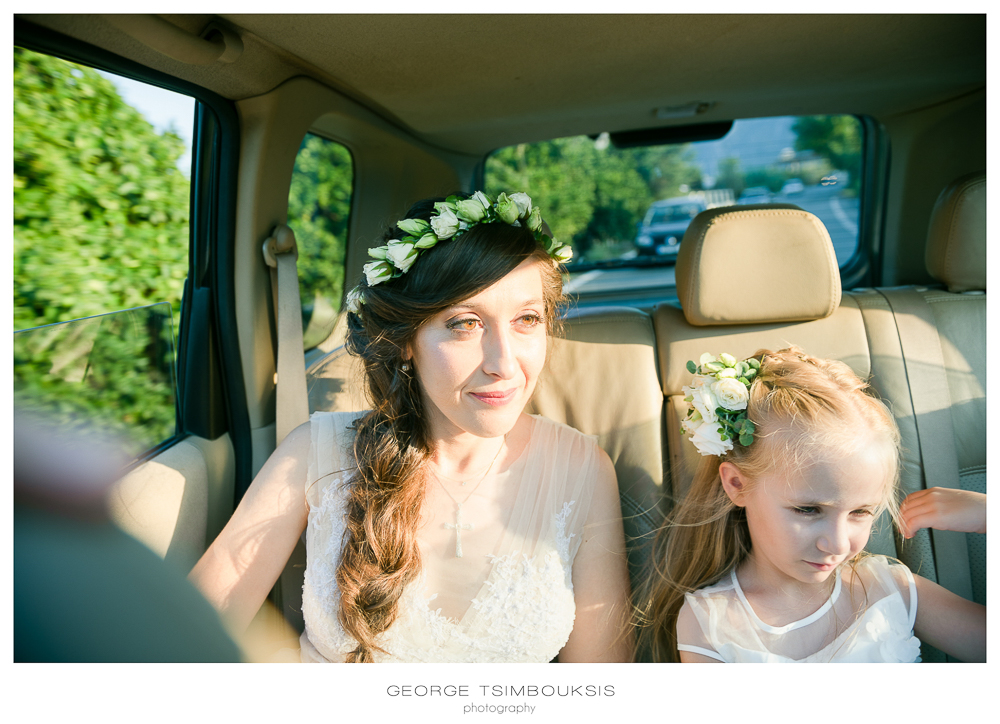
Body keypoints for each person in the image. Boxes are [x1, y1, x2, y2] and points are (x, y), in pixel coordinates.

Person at [190, 191, 633, 663]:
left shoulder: (583, 469)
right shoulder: (314, 453)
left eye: (527, 319)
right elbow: (186, 634)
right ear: (405, 341)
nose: (504, 363)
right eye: (465, 323)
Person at [639, 346, 986, 663]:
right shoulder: (711, 623)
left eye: (860, 512)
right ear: (737, 485)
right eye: (808, 510)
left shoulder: (890, 588)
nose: (836, 544)